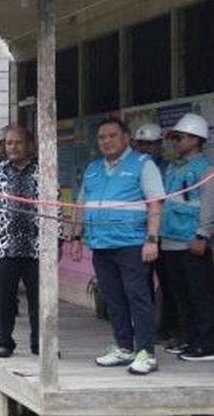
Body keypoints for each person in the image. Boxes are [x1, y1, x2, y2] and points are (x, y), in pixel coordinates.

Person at [70, 117, 165, 375]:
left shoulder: (143, 165)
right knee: (113, 298)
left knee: (138, 297)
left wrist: (152, 239)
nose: (106, 141)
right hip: (101, 245)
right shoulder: (93, 169)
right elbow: (81, 205)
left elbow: (156, 203)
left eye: (112, 135)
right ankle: (124, 347)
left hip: (133, 244)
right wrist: (76, 238)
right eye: (102, 137)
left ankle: (145, 352)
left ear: (126, 138)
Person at [159, 113, 214, 362]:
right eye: (175, 138)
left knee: (200, 294)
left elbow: (209, 203)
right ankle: (188, 338)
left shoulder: (205, 169)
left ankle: (205, 345)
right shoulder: (174, 167)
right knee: (180, 294)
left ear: (196, 139)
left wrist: (203, 235)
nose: (176, 143)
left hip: (192, 241)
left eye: (180, 138)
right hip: (170, 239)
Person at [0, 126, 40, 358]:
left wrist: (57, 241)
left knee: (39, 299)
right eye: (9, 143)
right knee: (3, 299)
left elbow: (56, 207)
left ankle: (40, 341)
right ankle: (3, 341)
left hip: (37, 247)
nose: (13, 147)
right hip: (5, 246)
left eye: (19, 142)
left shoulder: (43, 171)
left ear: (29, 144)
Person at [134, 122, 179, 347]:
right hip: (138, 235)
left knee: (169, 283)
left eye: (149, 144)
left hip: (164, 233)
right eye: (141, 144)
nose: (145, 148)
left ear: (159, 145)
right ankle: (148, 327)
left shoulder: (169, 168)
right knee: (142, 284)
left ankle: (168, 327)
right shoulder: (134, 167)